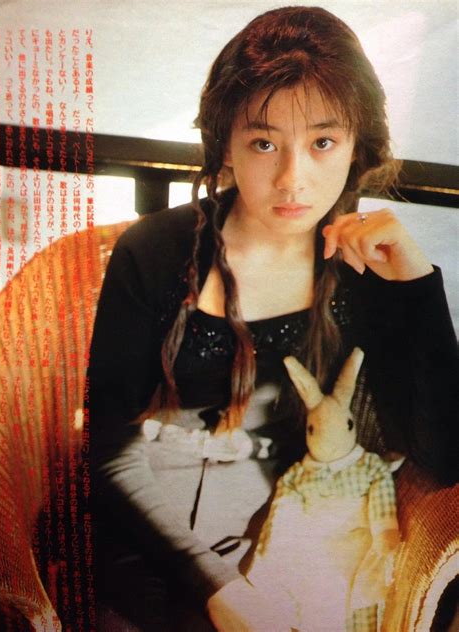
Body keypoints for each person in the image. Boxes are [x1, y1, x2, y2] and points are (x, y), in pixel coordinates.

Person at [86, 6, 457, 632]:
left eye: (322, 143)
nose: (292, 179)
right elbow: (109, 451)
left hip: (288, 545)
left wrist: (419, 288)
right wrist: (219, 588)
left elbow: (443, 459)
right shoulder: (155, 251)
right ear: (226, 146)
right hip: (150, 545)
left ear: (356, 146)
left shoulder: (366, 270)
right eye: (264, 143)